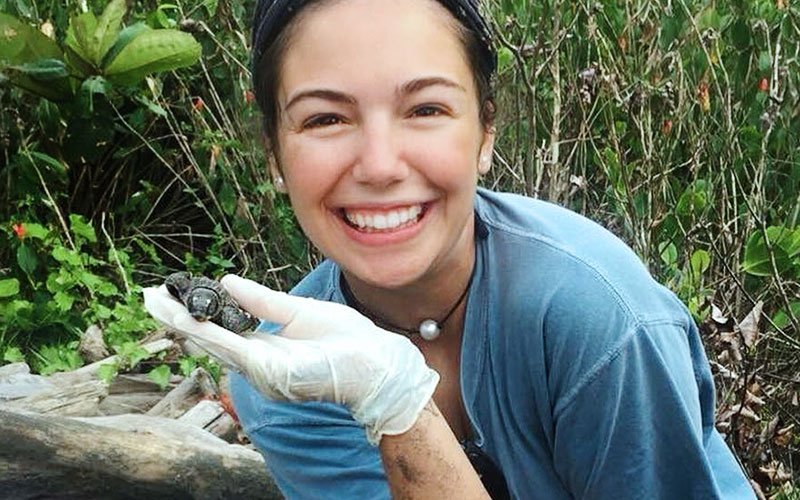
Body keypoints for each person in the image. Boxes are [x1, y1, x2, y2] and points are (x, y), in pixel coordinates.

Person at [144, 0, 757, 498]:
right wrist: (388, 402)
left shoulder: (597, 315)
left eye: (427, 108)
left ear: (486, 133)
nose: (381, 166)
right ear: (275, 155)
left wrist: (395, 399)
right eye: (326, 119)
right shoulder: (284, 385)